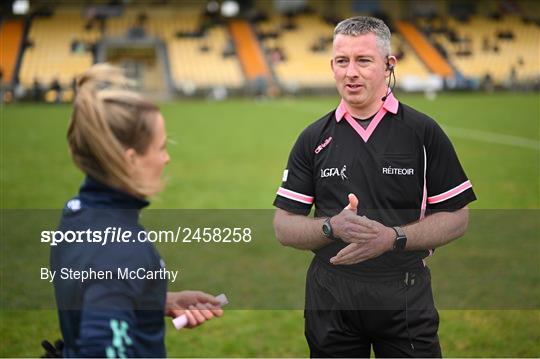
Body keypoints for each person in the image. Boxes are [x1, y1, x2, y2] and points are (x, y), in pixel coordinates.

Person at [273, 16, 476, 357]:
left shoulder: (423, 133)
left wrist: (393, 237)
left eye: (363, 60)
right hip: (330, 294)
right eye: (342, 61)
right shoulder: (313, 138)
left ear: (388, 65)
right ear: (332, 66)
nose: (350, 72)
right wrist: (330, 226)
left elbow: (457, 216)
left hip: (404, 291)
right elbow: (283, 225)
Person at [51, 64, 223, 357]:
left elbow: (99, 291)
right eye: (160, 147)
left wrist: (155, 299)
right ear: (130, 160)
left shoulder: (76, 213)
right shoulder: (122, 250)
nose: (167, 158)